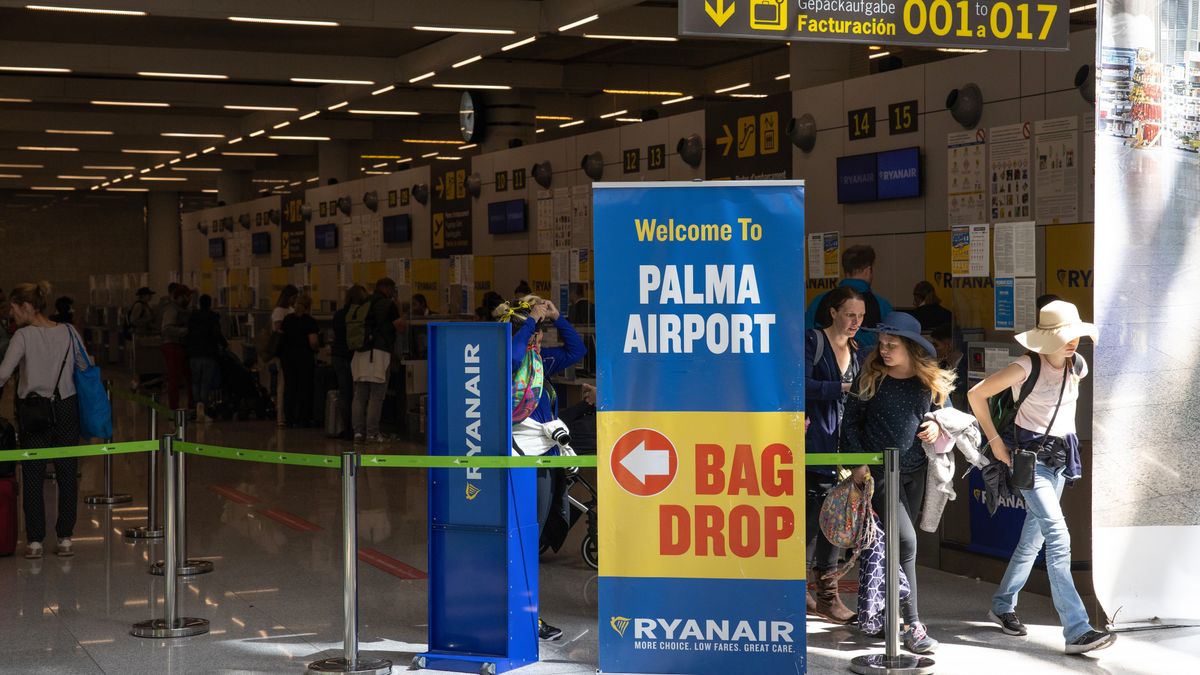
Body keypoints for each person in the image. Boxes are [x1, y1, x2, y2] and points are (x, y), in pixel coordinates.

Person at [966, 300, 1116, 655]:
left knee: (1032, 541)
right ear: (1045, 339)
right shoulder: (1024, 366)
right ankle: (1077, 630)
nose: (1072, 343)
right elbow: (976, 395)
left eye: (1075, 335)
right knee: (1058, 536)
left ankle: (1002, 605)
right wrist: (995, 442)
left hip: (1061, 459)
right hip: (1031, 462)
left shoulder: (1077, 365)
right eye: (1064, 337)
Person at [841, 312, 956, 654]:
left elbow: (949, 417)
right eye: (882, 344)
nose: (885, 350)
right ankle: (914, 625)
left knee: (895, 546)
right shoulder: (872, 378)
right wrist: (859, 463)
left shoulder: (929, 384)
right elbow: (849, 425)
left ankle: (886, 617)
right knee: (904, 543)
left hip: (915, 471)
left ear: (910, 348)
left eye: (892, 345)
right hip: (878, 474)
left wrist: (937, 427)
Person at [496, 294, 586, 642]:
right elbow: (512, 354)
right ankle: (522, 615)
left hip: (546, 456)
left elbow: (576, 351)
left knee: (534, 536)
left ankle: (527, 613)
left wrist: (557, 317)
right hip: (521, 455)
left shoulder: (540, 361)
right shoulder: (511, 361)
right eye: (534, 331)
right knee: (522, 536)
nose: (539, 337)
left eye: (541, 332)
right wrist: (530, 320)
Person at [0, 282, 91, 559]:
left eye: (14, 309)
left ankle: (36, 542)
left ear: (26, 306)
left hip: (34, 410)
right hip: (66, 407)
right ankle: (65, 538)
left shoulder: (23, 337)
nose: (12, 315)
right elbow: (85, 365)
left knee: (33, 473)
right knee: (66, 473)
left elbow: (3, 374)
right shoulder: (68, 331)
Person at [804, 285, 866, 624]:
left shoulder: (856, 349)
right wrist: (842, 387)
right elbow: (799, 384)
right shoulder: (813, 342)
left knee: (836, 520)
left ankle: (826, 594)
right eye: (849, 315)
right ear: (833, 312)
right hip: (815, 444)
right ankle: (809, 589)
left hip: (844, 447)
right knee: (816, 518)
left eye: (860, 316)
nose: (855, 322)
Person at [805, 245, 893, 353]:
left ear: (844, 270)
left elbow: (807, 339)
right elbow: (890, 344)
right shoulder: (882, 306)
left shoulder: (818, 301)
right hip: (867, 367)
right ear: (868, 270)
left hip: (825, 366)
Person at [351, 278, 401, 443]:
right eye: (393, 289)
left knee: (359, 396)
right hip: (379, 354)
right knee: (376, 396)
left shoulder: (363, 302)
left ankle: (358, 433)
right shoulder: (388, 304)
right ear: (386, 288)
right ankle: (372, 434)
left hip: (359, 353)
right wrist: (398, 306)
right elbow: (401, 327)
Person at [331, 285, 367, 439]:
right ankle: (358, 427)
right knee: (359, 394)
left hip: (338, 355)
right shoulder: (360, 314)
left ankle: (347, 429)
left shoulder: (338, 314)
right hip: (354, 355)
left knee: (345, 394)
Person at [280, 294, 320, 427]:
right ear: (308, 307)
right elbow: (313, 341)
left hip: (287, 358)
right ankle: (303, 418)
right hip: (304, 358)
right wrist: (317, 348)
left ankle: (289, 418)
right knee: (304, 387)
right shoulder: (309, 321)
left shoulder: (287, 319)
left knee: (290, 387)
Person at [186, 294, 226, 418]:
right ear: (210, 304)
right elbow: (217, 334)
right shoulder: (213, 317)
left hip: (194, 353)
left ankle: (196, 404)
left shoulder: (192, 316)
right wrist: (224, 344)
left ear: (199, 303)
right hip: (209, 353)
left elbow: (188, 333)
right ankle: (203, 406)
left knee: (195, 381)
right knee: (205, 382)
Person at [270, 285, 299, 427]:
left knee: (288, 383)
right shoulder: (279, 311)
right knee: (282, 383)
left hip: (291, 351)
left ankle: (288, 413)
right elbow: (277, 330)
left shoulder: (291, 310)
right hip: (282, 352)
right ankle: (280, 415)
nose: (295, 300)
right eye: (294, 297)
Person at [160, 285, 193, 411]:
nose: (189, 299)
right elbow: (166, 328)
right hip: (172, 345)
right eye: (186, 296)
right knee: (174, 377)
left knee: (188, 376)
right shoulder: (171, 310)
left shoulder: (184, 309)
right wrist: (185, 331)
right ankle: (173, 408)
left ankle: (191, 406)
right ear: (179, 296)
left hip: (182, 345)